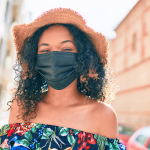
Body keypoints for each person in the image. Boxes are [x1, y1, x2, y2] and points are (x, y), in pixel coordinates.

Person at [0, 8, 126, 150]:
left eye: (66, 49)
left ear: (83, 57)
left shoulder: (103, 116)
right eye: (45, 50)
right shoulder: (20, 108)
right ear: (34, 59)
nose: (54, 58)